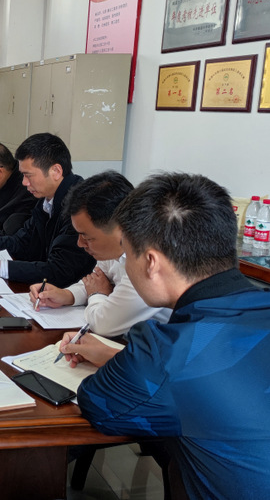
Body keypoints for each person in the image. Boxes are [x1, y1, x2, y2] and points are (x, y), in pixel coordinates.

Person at [65, 173, 270, 499]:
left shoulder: (165, 353)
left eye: (126, 253)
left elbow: (97, 403)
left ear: (151, 262)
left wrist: (127, 360)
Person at [28, 171, 170, 338]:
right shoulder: (114, 250)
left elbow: (103, 324)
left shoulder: (146, 263)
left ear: (120, 228)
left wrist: (97, 295)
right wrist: (66, 295)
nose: (80, 243)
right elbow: (95, 280)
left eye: (87, 237)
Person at [0, 133, 95, 287]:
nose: (24, 182)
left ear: (56, 171)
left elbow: (59, 271)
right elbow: (21, 241)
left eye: (28, 175)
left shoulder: (80, 207)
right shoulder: (46, 200)